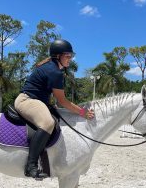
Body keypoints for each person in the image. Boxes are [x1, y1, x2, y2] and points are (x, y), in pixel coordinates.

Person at [14, 39, 95, 179]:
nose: (70, 59)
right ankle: (31, 165)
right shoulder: (55, 72)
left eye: (71, 56)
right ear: (58, 56)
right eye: (67, 56)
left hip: (37, 100)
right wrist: (83, 112)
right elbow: (63, 101)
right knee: (48, 123)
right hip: (27, 100)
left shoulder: (52, 67)